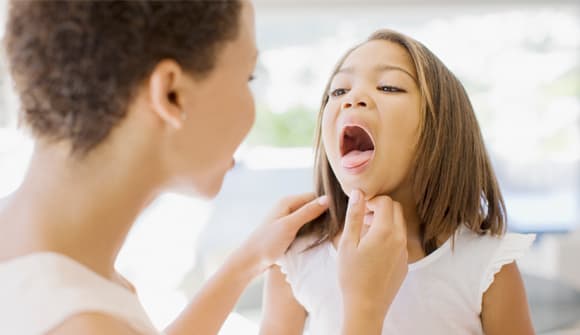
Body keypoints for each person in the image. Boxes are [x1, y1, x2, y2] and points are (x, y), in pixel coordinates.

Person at [0, 1, 408, 335]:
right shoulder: (82, 324)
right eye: (248, 76)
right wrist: (363, 310)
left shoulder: (45, 261)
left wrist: (245, 262)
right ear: (172, 94)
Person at [260, 29, 536, 335]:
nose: (353, 99)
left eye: (389, 87)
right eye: (338, 91)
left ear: (441, 131)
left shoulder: (485, 265)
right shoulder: (299, 255)